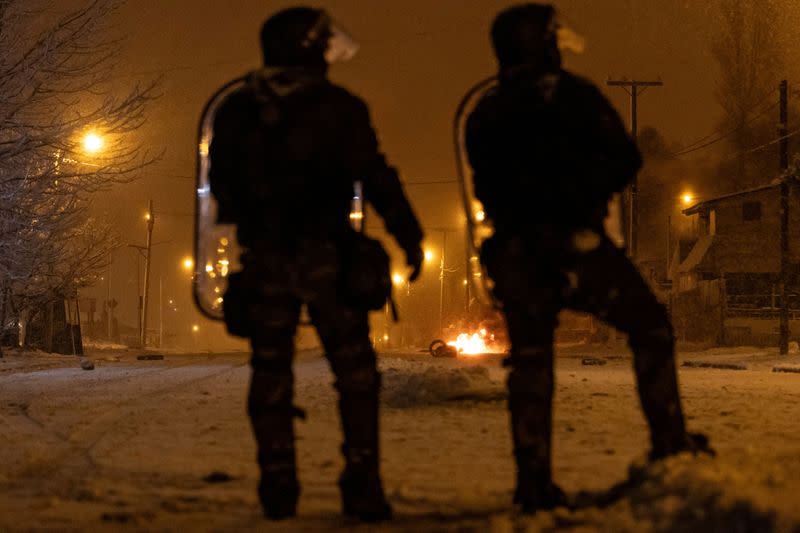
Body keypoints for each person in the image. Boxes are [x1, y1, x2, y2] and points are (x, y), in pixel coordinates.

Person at [464, 3, 711, 513]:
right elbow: (626, 159)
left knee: (531, 361)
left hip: (518, 253)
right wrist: (579, 197)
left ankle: (533, 484)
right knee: (651, 329)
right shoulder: (576, 98)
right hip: (579, 246)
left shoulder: (486, 110)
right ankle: (668, 445)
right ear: (543, 44)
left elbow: (486, 186)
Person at [207, 7, 424, 521]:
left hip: (265, 260)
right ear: (309, 46)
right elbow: (375, 175)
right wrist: (408, 236)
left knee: (270, 368)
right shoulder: (337, 106)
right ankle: (361, 482)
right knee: (355, 371)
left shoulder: (237, 108)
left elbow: (219, 186)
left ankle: (278, 483)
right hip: (327, 255)